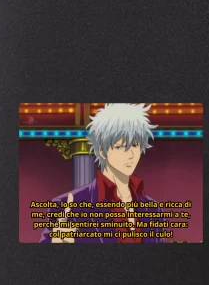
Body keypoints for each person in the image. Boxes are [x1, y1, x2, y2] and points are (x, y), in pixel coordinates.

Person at [39, 103, 165, 244]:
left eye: (135, 145)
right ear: (101, 151)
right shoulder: (68, 205)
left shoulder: (154, 209)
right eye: (120, 147)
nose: (130, 155)